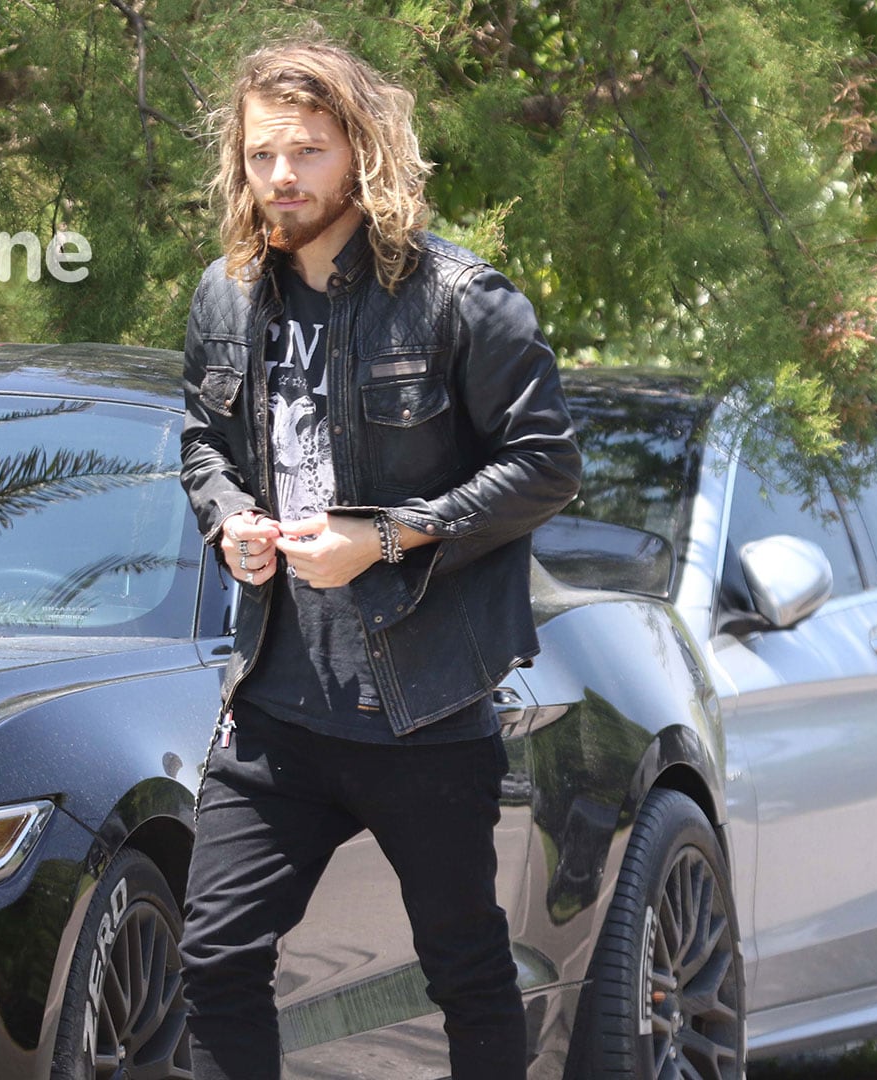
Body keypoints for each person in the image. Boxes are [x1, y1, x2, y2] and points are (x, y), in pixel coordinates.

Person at [175, 37, 583, 1080]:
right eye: (263, 153)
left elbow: (547, 467)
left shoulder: (457, 298)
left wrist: (387, 537)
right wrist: (231, 521)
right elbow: (203, 443)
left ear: (363, 151)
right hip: (279, 702)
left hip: (424, 702)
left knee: (465, 971)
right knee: (215, 957)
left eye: (306, 151)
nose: (281, 177)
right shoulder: (227, 296)